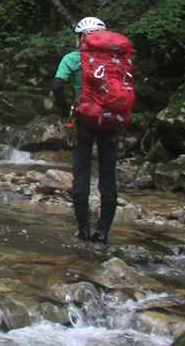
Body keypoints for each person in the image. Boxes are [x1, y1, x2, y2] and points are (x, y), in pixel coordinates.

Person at [52, 15, 118, 243]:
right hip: (111, 121)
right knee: (108, 175)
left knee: (82, 173)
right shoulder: (117, 59)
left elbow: (57, 85)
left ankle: (83, 230)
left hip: (84, 121)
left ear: (80, 37)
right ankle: (103, 233)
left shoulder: (73, 58)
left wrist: (64, 112)